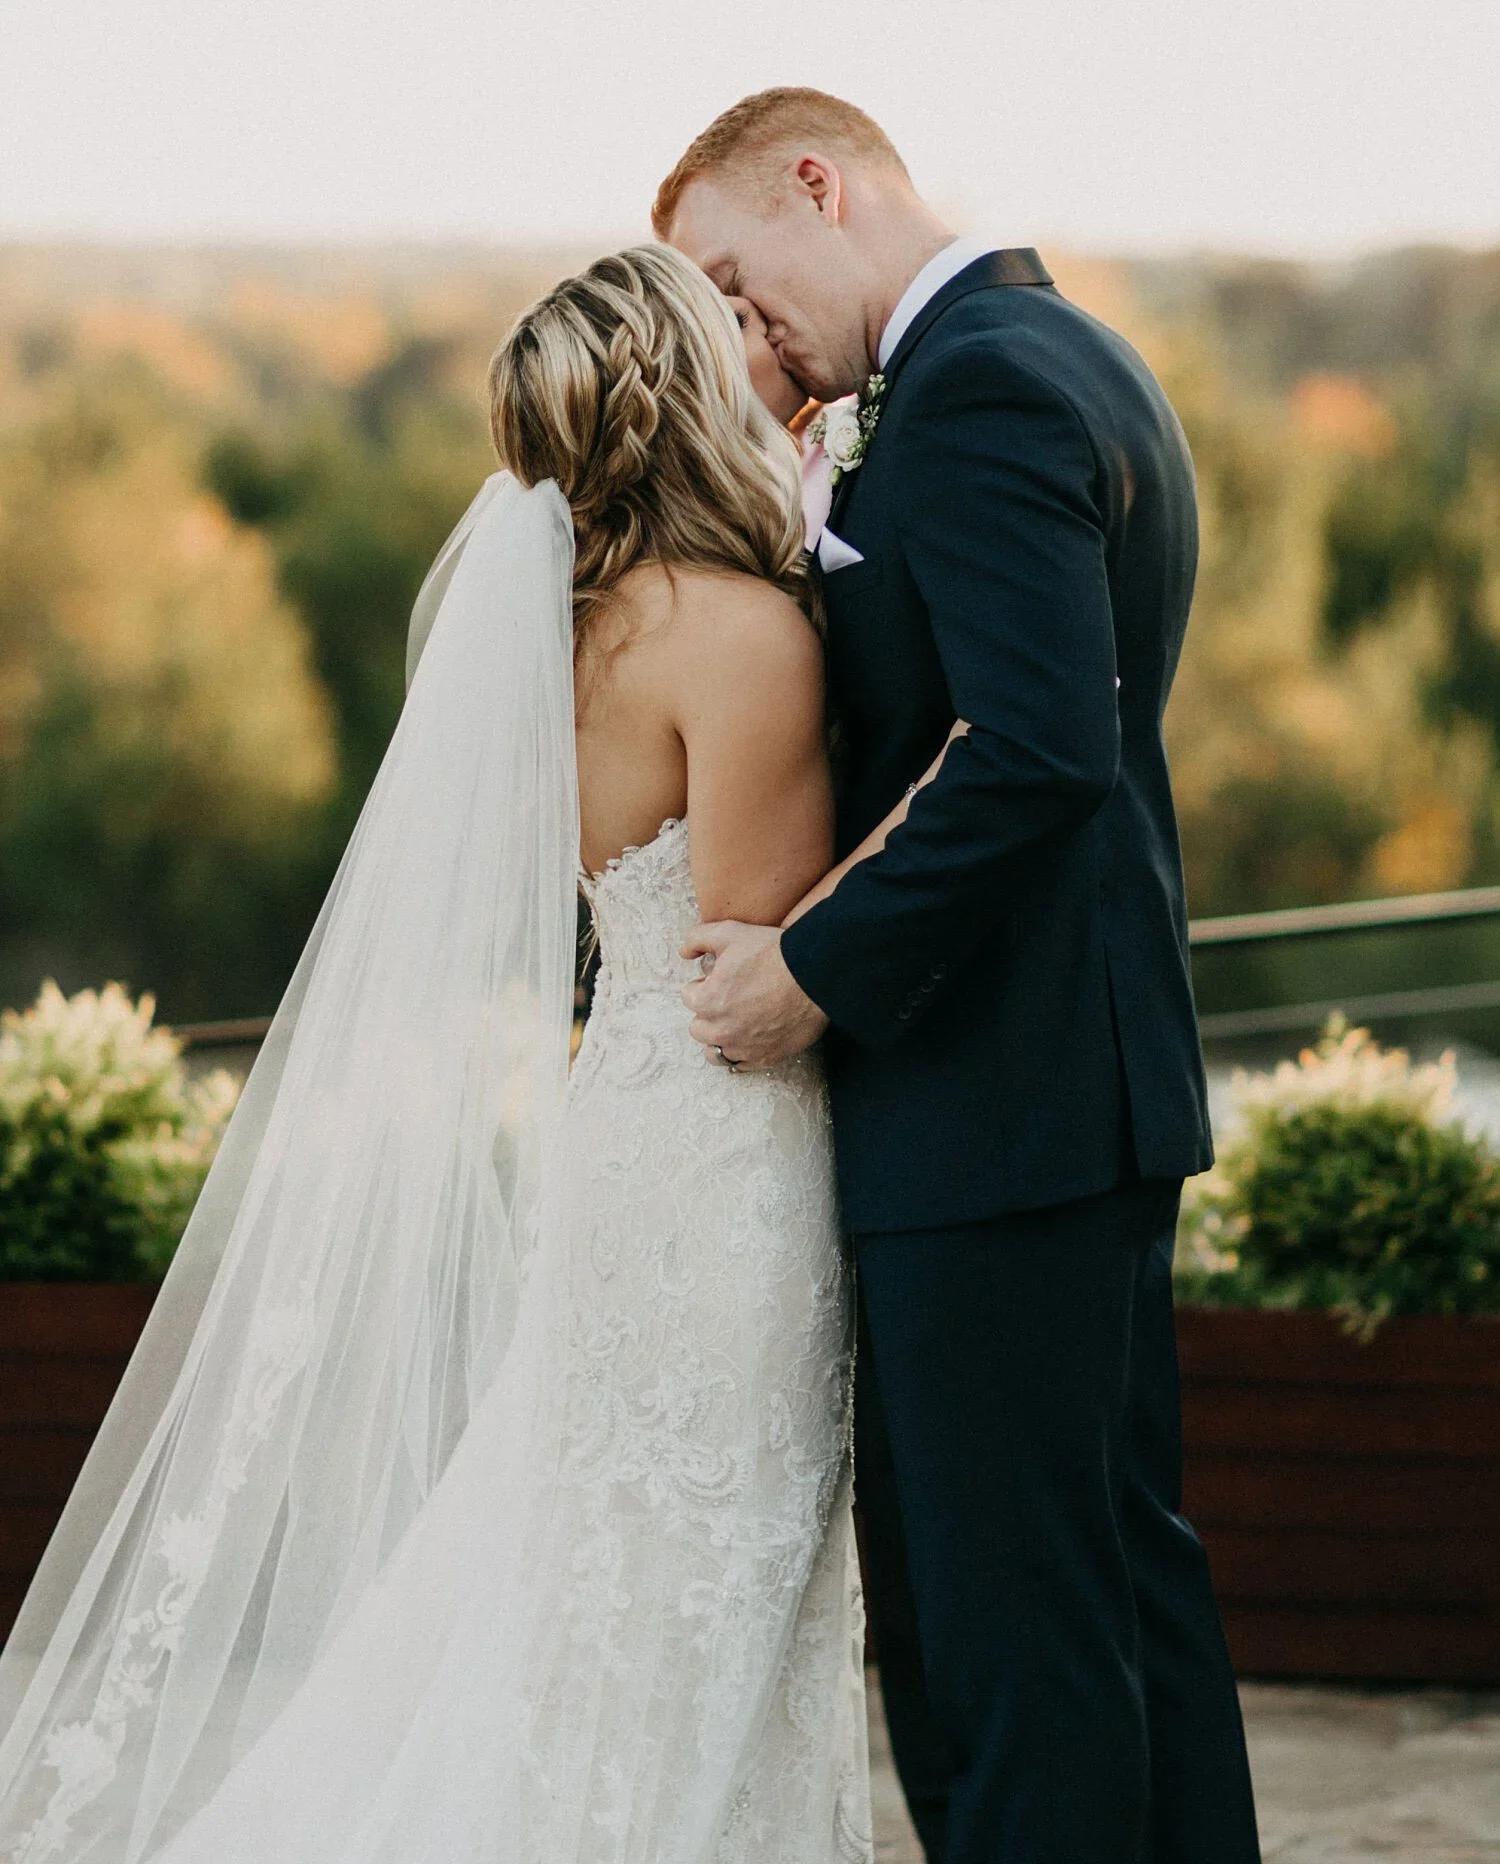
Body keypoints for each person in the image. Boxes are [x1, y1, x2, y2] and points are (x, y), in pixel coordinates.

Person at [0, 246, 875, 1864]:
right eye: (732, 335)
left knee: (594, 1570)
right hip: (725, 1153)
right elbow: (755, 939)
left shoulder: (561, 630)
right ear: (691, 392)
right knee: (708, 1580)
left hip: (622, 1138)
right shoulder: (746, 635)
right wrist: (928, 812)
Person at [658, 87, 1262, 1864]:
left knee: (997, 1651)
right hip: (1074, 1093)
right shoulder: (1063, 349)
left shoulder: (984, 385)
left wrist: (812, 973)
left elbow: (1033, 747)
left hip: (996, 1108)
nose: (736, 331)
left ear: (820, 185)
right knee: (1116, 1602)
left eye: (733, 275)